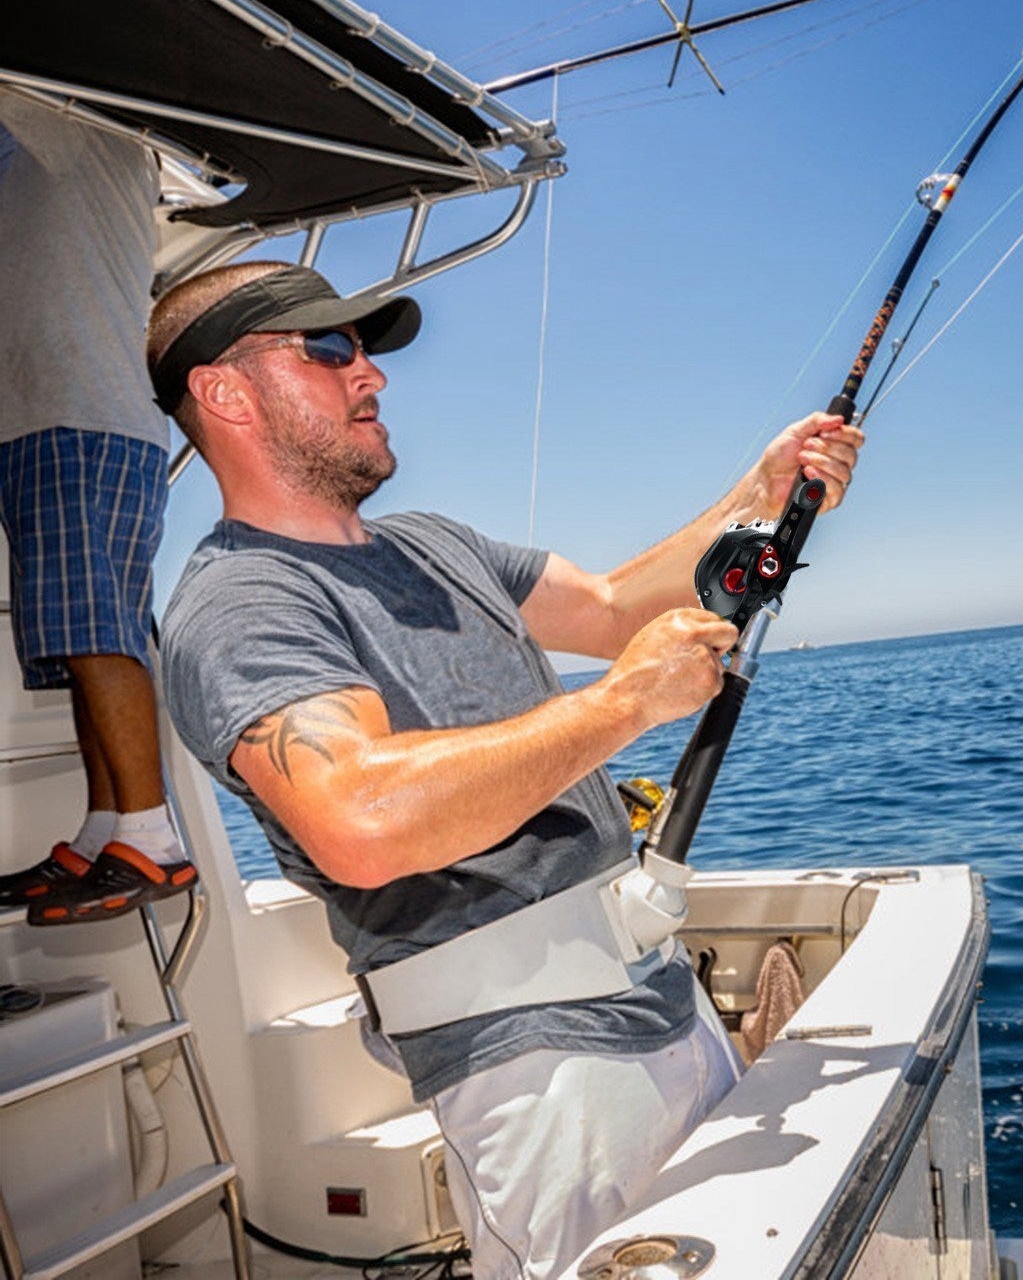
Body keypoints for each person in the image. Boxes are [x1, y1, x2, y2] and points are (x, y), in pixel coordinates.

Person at [147, 259, 863, 1279]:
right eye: (329, 348)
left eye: (366, 349)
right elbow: (359, 818)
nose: (370, 373)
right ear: (223, 392)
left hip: (659, 992)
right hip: (532, 1059)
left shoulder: (433, 545)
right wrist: (621, 704)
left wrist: (763, 492)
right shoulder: (241, 604)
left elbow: (614, 608)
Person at [0, 90, 195, 924]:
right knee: (86, 641)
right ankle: (107, 827)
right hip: (48, 419)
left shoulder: (80, 122)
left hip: (80, 416)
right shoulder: (29, 154)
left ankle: (153, 840)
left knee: (94, 632)